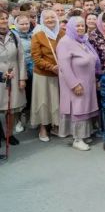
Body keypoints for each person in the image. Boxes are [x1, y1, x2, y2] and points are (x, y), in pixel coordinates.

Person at [56, 16, 100, 151]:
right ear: (70, 27)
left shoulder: (83, 40)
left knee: (84, 108)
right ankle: (77, 139)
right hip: (76, 84)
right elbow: (64, 67)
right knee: (78, 110)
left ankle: (83, 134)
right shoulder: (65, 42)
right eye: (77, 26)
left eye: (82, 25)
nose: (81, 28)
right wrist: (74, 84)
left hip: (88, 82)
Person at [30, 10, 64, 142]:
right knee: (43, 101)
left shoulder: (62, 33)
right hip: (43, 74)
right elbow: (36, 57)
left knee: (56, 101)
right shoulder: (38, 35)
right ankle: (43, 127)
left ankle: (55, 124)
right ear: (42, 20)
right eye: (46, 18)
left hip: (59, 74)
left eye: (52, 17)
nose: (50, 20)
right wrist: (51, 67)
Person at [0, 9, 27, 147]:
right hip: (0, 78)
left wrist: (22, 78)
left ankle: (9, 134)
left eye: (5, 18)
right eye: (1, 18)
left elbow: (21, 58)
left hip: (13, 76)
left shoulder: (14, 36)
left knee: (10, 110)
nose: (4, 21)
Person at [13, 14, 33, 132]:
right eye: (22, 24)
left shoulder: (31, 35)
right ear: (16, 25)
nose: (25, 26)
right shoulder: (14, 37)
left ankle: (29, 118)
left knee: (29, 96)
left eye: (27, 24)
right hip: (20, 71)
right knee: (20, 97)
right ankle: (18, 121)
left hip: (32, 70)